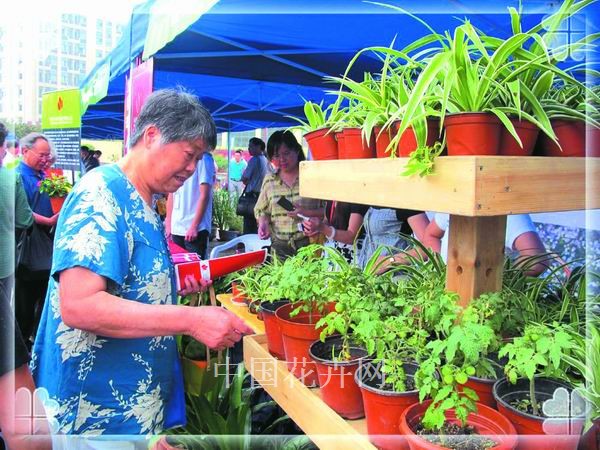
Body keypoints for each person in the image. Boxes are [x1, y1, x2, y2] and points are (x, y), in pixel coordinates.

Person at [31, 89, 253, 437]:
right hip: (95, 414)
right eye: (189, 154)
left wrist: (168, 283)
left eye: (199, 159)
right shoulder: (100, 195)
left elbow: (125, 279)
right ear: (151, 136)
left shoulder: (144, 198)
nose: (193, 168)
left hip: (131, 407)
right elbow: (80, 305)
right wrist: (192, 320)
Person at [15, 133, 59, 347]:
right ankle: (22, 345)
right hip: (30, 245)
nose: (45, 159)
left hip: (47, 245)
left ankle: (36, 340)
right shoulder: (18, 176)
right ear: (25, 151)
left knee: (44, 296)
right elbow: (21, 211)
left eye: (47, 156)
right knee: (25, 300)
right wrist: (48, 221)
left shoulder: (43, 175)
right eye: (41, 155)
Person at [255, 130, 322, 259]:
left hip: (309, 243)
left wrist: (306, 212)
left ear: (296, 150)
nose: (282, 159)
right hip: (280, 246)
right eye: (276, 155)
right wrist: (263, 223)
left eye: (286, 153)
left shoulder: (311, 177)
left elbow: (328, 212)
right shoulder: (270, 180)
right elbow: (261, 210)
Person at [424, 212, 548, 276]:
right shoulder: (457, 198)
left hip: (487, 304)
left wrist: (496, 280)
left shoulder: (506, 209)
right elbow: (431, 235)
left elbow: (536, 259)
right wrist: (441, 271)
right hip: (445, 296)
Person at [165, 146, 216, 260]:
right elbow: (172, 194)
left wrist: (194, 226)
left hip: (195, 228)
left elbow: (204, 195)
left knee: (196, 266)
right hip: (177, 226)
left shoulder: (204, 159)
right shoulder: (177, 158)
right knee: (178, 265)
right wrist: (169, 223)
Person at [357, 206, 429, 269]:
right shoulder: (375, 199)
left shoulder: (405, 204)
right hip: (367, 274)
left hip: (394, 276)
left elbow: (429, 248)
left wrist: (389, 261)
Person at [302, 201, 369, 263]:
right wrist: (316, 228)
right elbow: (327, 220)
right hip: (332, 252)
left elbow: (352, 237)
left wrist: (323, 228)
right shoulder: (333, 196)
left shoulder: (356, 199)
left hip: (350, 257)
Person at [239, 137, 269, 234]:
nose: (249, 149)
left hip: (252, 197)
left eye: (251, 146)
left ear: (259, 147)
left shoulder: (254, 160)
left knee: (249, 226)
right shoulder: (265, 160)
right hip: (262, 195)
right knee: (258, 225)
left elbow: (244, 178)